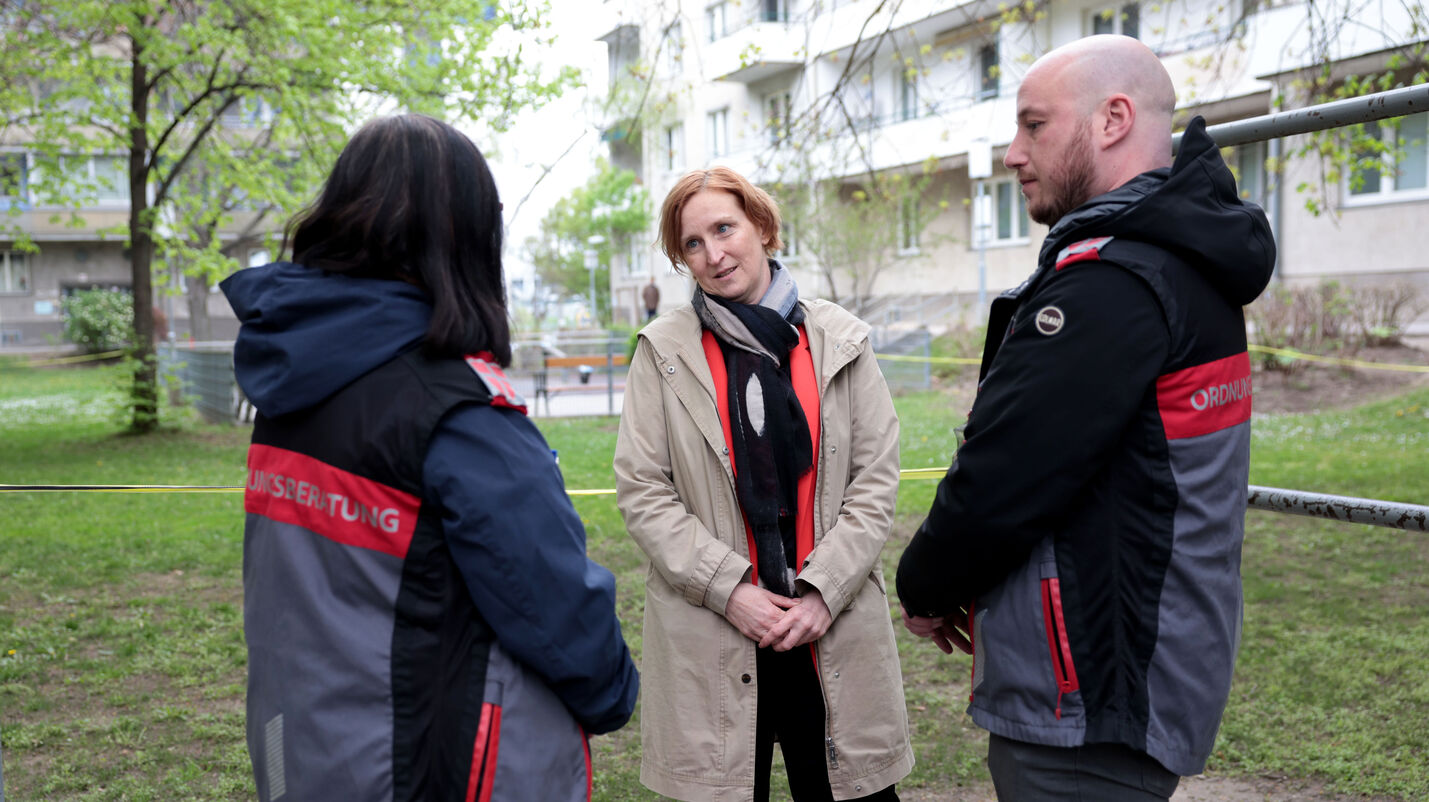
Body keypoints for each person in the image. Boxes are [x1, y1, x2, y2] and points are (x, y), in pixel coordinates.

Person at [896, 35, 1275, 801]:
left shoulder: (1115, 285)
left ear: (1111, 120)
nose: (1012, 153)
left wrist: (924, 585)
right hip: (1141, 670)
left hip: (1091, 696)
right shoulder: (1177, 259)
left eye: (1032, 126)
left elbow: (1004, 475)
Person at [221, 114, 639, 802]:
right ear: (464, 236)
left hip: (307, 748)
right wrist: (613, 689)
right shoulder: (456, 407)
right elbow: (552, 601)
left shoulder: (297, 379)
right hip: (432, 762)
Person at [614, 167, 913, 802]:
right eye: (692, 244)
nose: (714, 254)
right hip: (716, 634)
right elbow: (643, 488)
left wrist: (821, 594)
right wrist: (732, 591)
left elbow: (874, 482)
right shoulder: (662, 350)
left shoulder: (841, 339)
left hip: (827, 629)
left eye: (724, 229)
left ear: (764, 227)